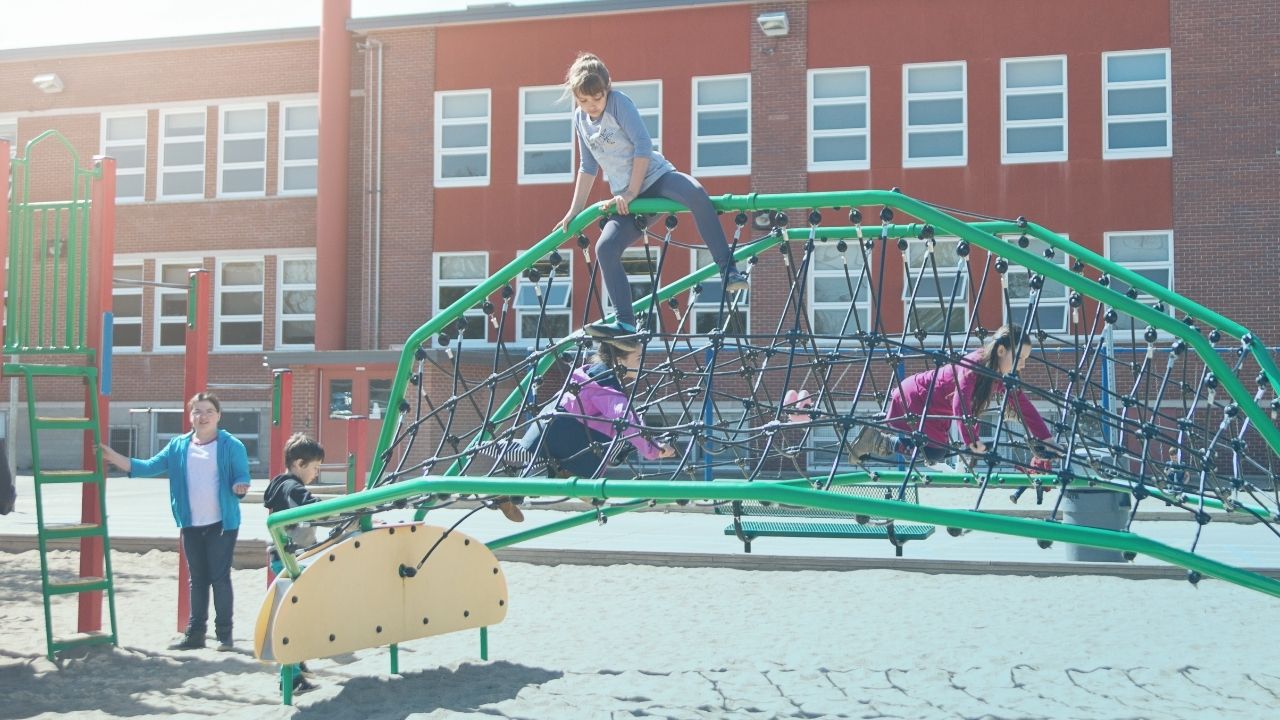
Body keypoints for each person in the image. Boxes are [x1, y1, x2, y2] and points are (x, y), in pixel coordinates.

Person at [555, 52, 749, 349]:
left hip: (656, 179)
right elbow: (588, 166)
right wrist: (575, 210)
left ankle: (728, 269)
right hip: (629, 197)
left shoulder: (619, 103)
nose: (591, 106)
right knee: (605, 248)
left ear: (608, 87)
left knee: (696, 193)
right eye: (584, 101)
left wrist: (631, 191)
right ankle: (626, 323)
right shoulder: (580, 119)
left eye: (597, 98)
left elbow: (642, 145)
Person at [100, 392, 250, 652]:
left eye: (208, 412)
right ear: (190, 416)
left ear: (218, 416)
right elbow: (148, 467)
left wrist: (239, 486)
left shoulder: (231, 445)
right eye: (197, 411)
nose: (202, 417)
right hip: (191, 522)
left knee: (219, 578)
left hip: (222, 524)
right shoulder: (178, 446)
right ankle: (195, 635)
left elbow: (242, 476)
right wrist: (114, 457)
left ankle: (224, 635)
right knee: (197, 579)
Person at [850, 326, 1061, 469]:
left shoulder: (1000, 375)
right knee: (934, 453)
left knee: (935, 452)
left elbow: (1023, 405)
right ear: (1001, 351)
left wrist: (1047, 439)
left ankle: (884, 423)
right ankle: (880, 438)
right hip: (917, 398)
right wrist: (971, 441)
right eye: (1019, 358)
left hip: (936, 407)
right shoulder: (974, 365)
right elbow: (961, 403)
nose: (1022, 365)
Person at [483, 342, 676, 480]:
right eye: (638, 358)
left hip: (558, 421)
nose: (643, 364)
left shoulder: (591, 373)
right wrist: (655, 450)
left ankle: (505, 486)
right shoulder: (608, 389)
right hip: (562, 430)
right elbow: (626, 420)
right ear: (619, 360)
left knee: (532, 457)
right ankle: (477, 450)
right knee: (526, 455)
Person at [262, 432, 325, 696]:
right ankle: (291, 676)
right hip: (291, 559)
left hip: (282, 558)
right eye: (315, 468)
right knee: (293, 617)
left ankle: (296, 664)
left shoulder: (279, 484)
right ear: (299, 464)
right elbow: (311, 508)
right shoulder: (293, 488)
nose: (316, 474)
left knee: (293, 612)